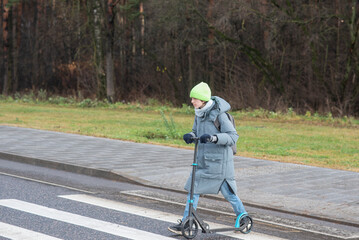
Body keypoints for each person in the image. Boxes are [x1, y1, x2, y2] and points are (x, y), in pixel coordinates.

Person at [168, 82, 247, 235]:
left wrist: (213, 138)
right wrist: (190, 136)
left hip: (219, 164)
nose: (192, 101)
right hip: (203, 161)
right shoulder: (199, 113)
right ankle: (187, 221)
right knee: (193, 190)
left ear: (203, 100)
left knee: (229, 194)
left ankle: (242, 215)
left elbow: (233, 137)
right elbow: (195, 131)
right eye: (191, 98)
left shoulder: (220, 115)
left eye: (194, 99)